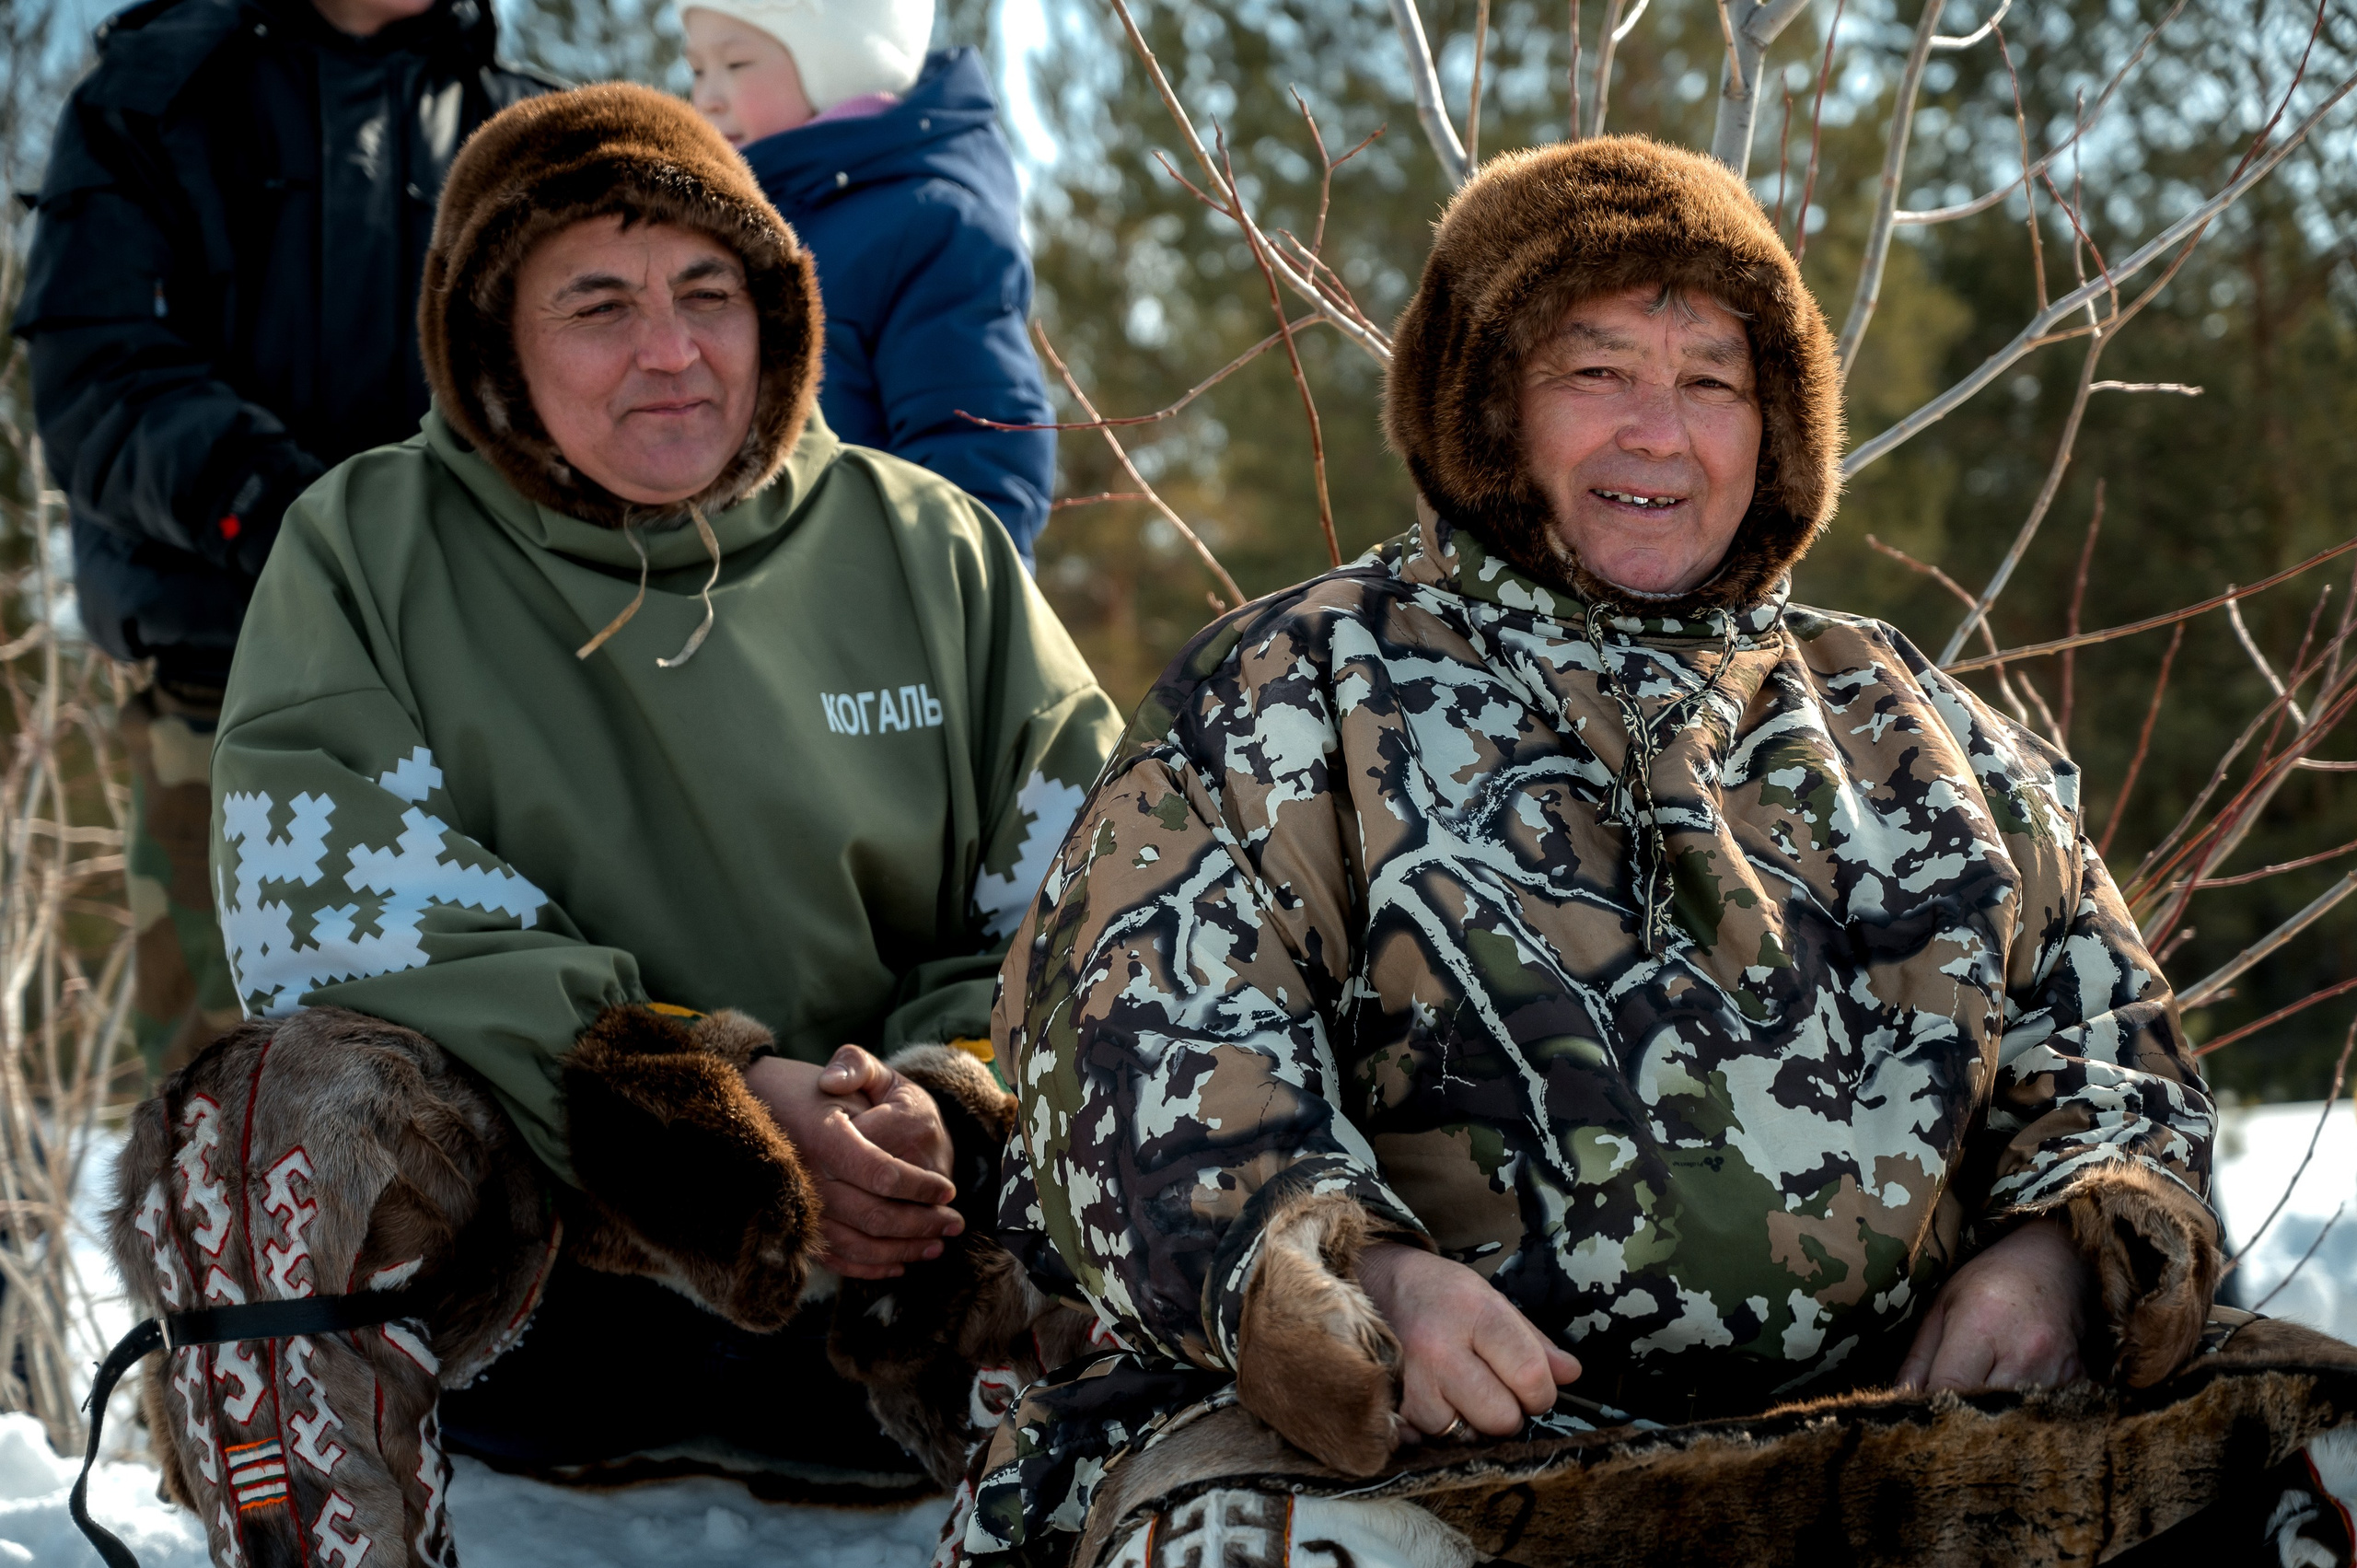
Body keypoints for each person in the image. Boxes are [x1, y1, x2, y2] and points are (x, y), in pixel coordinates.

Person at [957, 137, 2356, 1568]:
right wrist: (1359, 1278)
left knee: (2316, 1459)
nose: (1659, 434)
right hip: (1444, 1461)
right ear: (1487, 403)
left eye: (1711, 382)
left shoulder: (1919, 728)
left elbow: (2114, 1045)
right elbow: (1130, 1047)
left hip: (1889, 1449)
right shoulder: (1291, 690)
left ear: (1779, 425)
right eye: (1597, 370)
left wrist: (2060, 1250)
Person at [106, 84, 1120, 1567]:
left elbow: (1092, 894)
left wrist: (937, 1099)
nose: (673, 350)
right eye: (599, 304)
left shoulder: (930, 547)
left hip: (908, 1303)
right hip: (532, 1323)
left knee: (1169, 1099)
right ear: (490, 340)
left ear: (778, 308)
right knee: (270, 1112)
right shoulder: (371, 544)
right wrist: (709, 1108)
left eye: (710, 292)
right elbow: (328, 914)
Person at [12, 0, 556, 1076]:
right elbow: (95, 370)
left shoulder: (527, 127)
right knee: (232, 1118)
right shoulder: (150, 97)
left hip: (492, 706)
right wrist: (280, 512)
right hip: (226, 699)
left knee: (502, 1106)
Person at [677, 0, 1058, 564]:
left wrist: (958, 607)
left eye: (735, 65)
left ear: (836, 60)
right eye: (696, 69)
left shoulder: (928, 224)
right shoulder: (715, 225)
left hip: (862, 594)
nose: (705, 96)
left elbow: (976, 444)